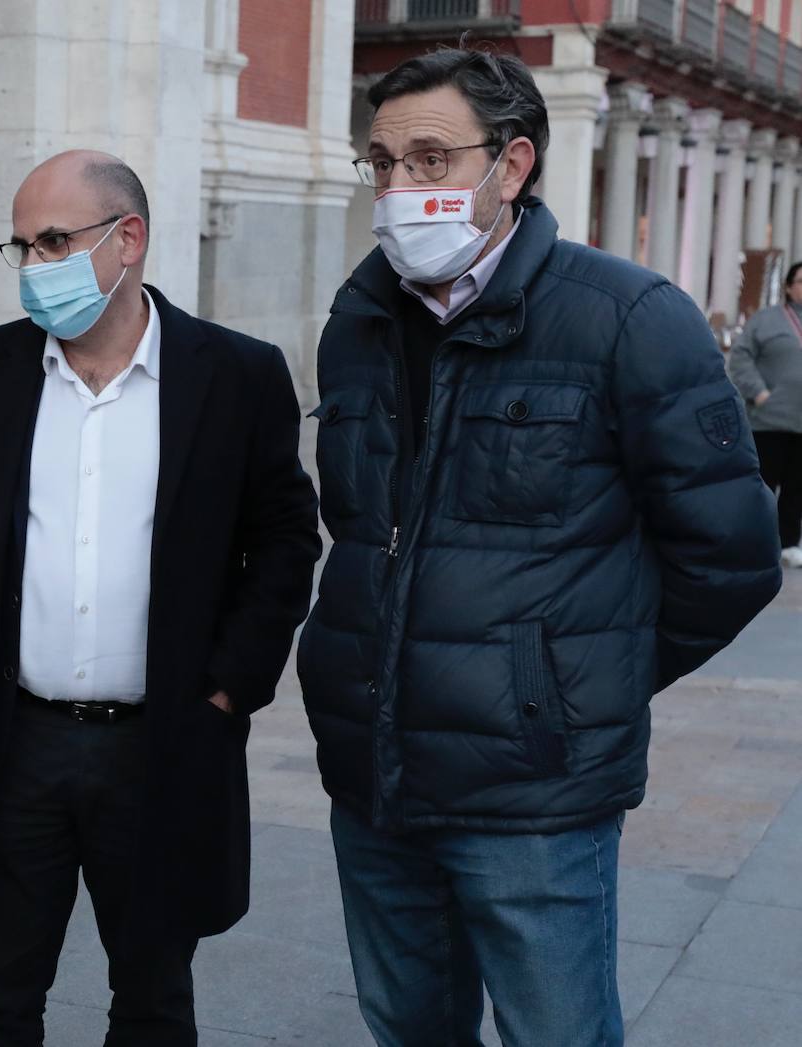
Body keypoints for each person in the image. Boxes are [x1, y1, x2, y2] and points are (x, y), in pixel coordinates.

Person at [297, 48, 782, 1047]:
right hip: (375, 774)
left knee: (556, 1033)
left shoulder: (628, 318)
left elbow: (732, 556)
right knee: (408, 1027)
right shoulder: (359, 322)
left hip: (533, 796)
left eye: (431, 160)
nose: (399, 189)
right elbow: (359, 531)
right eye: (382, 166)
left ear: (510, 167)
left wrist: (563, 686)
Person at [0, 150, 321, 1046]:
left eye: (55, 240)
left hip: (162, 743)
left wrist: (227, 689)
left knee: (154, 1003)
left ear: (129, 239)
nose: (36, 265)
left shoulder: (236, 375)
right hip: (10, 742)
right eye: (23, 247)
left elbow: (283, 538)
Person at [729, 260, 802, 568]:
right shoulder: (767, 320)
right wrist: (759, 393)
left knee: (797, 489)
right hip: (769, 420)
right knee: (763, 486)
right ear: (788, 286)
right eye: (801, 281)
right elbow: (740, 357)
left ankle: (788, 544)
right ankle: (755, 542)